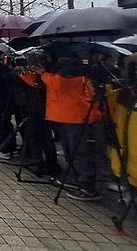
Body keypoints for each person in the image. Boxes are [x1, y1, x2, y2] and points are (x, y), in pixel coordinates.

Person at [37, 56, 103, 201]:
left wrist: (43, 72)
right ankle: (76, 179)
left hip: (77, 117)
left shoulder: (72, 73)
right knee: (70, 150)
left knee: (80, 152)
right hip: (68, 116)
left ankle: (87, 186)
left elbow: (57, 84)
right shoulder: (72, 72)